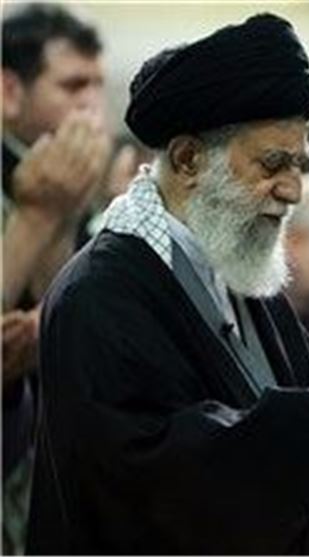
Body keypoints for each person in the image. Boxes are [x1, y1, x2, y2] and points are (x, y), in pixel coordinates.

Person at [26, 13, 309, 555]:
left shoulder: (242, 278)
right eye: (273, 165)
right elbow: (158, 482)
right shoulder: (100, 293)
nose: (294, 190)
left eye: (299, 165)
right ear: (188, 159)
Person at [1, 4, 110, 553]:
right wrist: (38, 216)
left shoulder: (89, 185)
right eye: (71, 85)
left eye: (97, 85)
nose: (90, 103)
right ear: (9, 92)